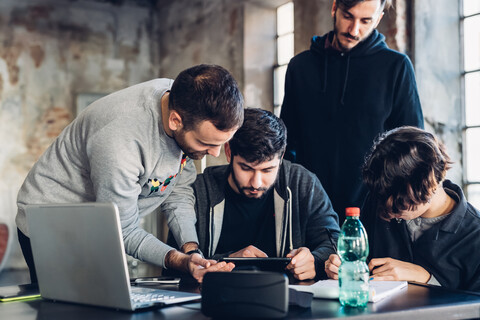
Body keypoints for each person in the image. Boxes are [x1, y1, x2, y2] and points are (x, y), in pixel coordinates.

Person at [16, 64, 243, 283]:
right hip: (54, 224)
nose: (215, 154)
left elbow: (178, 189)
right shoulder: (120, 142)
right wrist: (181, 261)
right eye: (205, 143)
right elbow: (122, 230)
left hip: (99, 224)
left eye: (221, 143)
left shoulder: (185, 99)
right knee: (68, 311)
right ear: (175, 120)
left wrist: (192, 250)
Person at [280, 0, 424, 225]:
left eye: (366, 21)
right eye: (348, 16)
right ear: (334, 8)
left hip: (375, 214)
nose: (354, 30)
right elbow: (286, 144)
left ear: (378, 19)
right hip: (310, 211)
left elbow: (413, 147)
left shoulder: (396, 67)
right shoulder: (300, 67)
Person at [181, 108, 340, 280]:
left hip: (287, 299)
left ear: (281, 156)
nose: (256, 183)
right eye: (246, 168)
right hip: (212, 300)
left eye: (267, 170)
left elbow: (335, 243)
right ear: (228, 152)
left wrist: (314, 261)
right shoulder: (199, 190)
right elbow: (177, 262)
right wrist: (227, 262)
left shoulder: (303, 183)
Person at [325, 126, 480, 291]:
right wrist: (342, 267)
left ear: (430, 184)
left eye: (399, 204)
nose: (386, 213)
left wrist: (424, 279)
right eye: (382, 199)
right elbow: (358, 263)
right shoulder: (379, 200)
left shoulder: (474, 236)